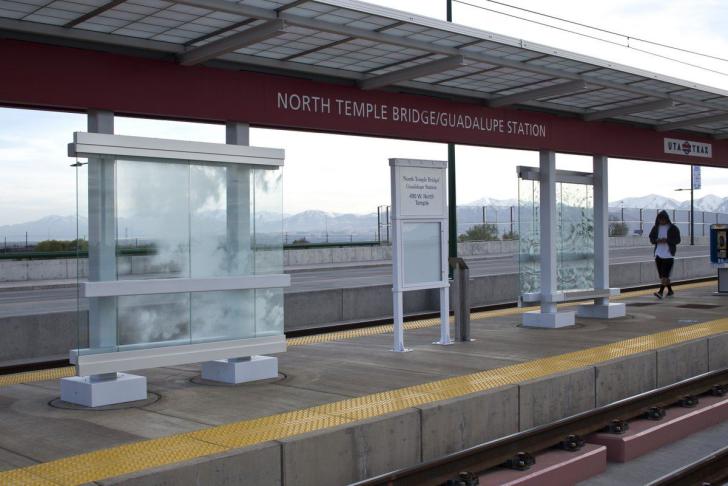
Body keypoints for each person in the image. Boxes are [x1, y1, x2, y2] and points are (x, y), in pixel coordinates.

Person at [649, 210, 681, 299]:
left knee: (664, 275)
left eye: (663, 219)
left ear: (667, 219)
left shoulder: (673, 228)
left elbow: (678, 240)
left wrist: (667, 240)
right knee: (662, 276)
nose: (661, 221)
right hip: (658, 254)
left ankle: (660, 292)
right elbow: (651, 237)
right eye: (660, 219)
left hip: (668, 255)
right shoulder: (656, 227)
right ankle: (670, 291)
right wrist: (656, 240)